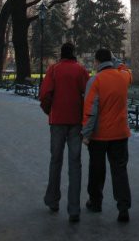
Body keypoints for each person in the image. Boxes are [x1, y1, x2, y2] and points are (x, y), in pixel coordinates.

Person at [39, 42, 89, 223]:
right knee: (75, 164)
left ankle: (53, 199)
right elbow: (88, 94)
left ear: (61, 54)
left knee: (56, 160)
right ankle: (74, 208)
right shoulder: (81, 70)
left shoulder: (54, 69)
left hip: (57, 120)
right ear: (74, 54)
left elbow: (44, 94)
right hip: (75, 121)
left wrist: (50, 110)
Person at [81, 47, 133, 222]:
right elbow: (126, 69)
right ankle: (123, 206)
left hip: (99, 135)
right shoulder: (123, 77)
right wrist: (116, 60)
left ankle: (95, 202)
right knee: (120, 170)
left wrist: (86, 134)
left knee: (97, 170)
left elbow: (90, 110)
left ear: (96, 62)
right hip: (120, 133)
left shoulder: (95, 81)